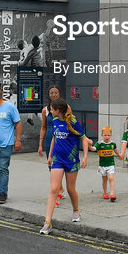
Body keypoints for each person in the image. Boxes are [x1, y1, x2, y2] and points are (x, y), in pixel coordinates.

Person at [40, 98, 88, 235]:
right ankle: (47, 222)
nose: (50, 111)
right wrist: (49, 155)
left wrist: (85, 156)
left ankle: (75, 210)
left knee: (71, 189)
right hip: (57, 159)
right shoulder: (54, 121)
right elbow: (54, 138)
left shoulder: (73, 123)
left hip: (71, 160)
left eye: (51, 109)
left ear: (58, 110)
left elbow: (83, 139)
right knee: (54, 189)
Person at [93, 125, 120, 201]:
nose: (107, 137)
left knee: (111, 178)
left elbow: (115, 150)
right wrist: (89, 146)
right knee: (104, 179)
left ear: (111, 135)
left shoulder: (112, 144)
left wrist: (120, 155)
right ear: (102, 135)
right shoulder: (99, 144)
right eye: (105, 135)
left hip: (111, 164)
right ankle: (105, 192)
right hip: (102, 165)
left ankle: (112, 193)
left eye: (108, 135)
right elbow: (94, 148)